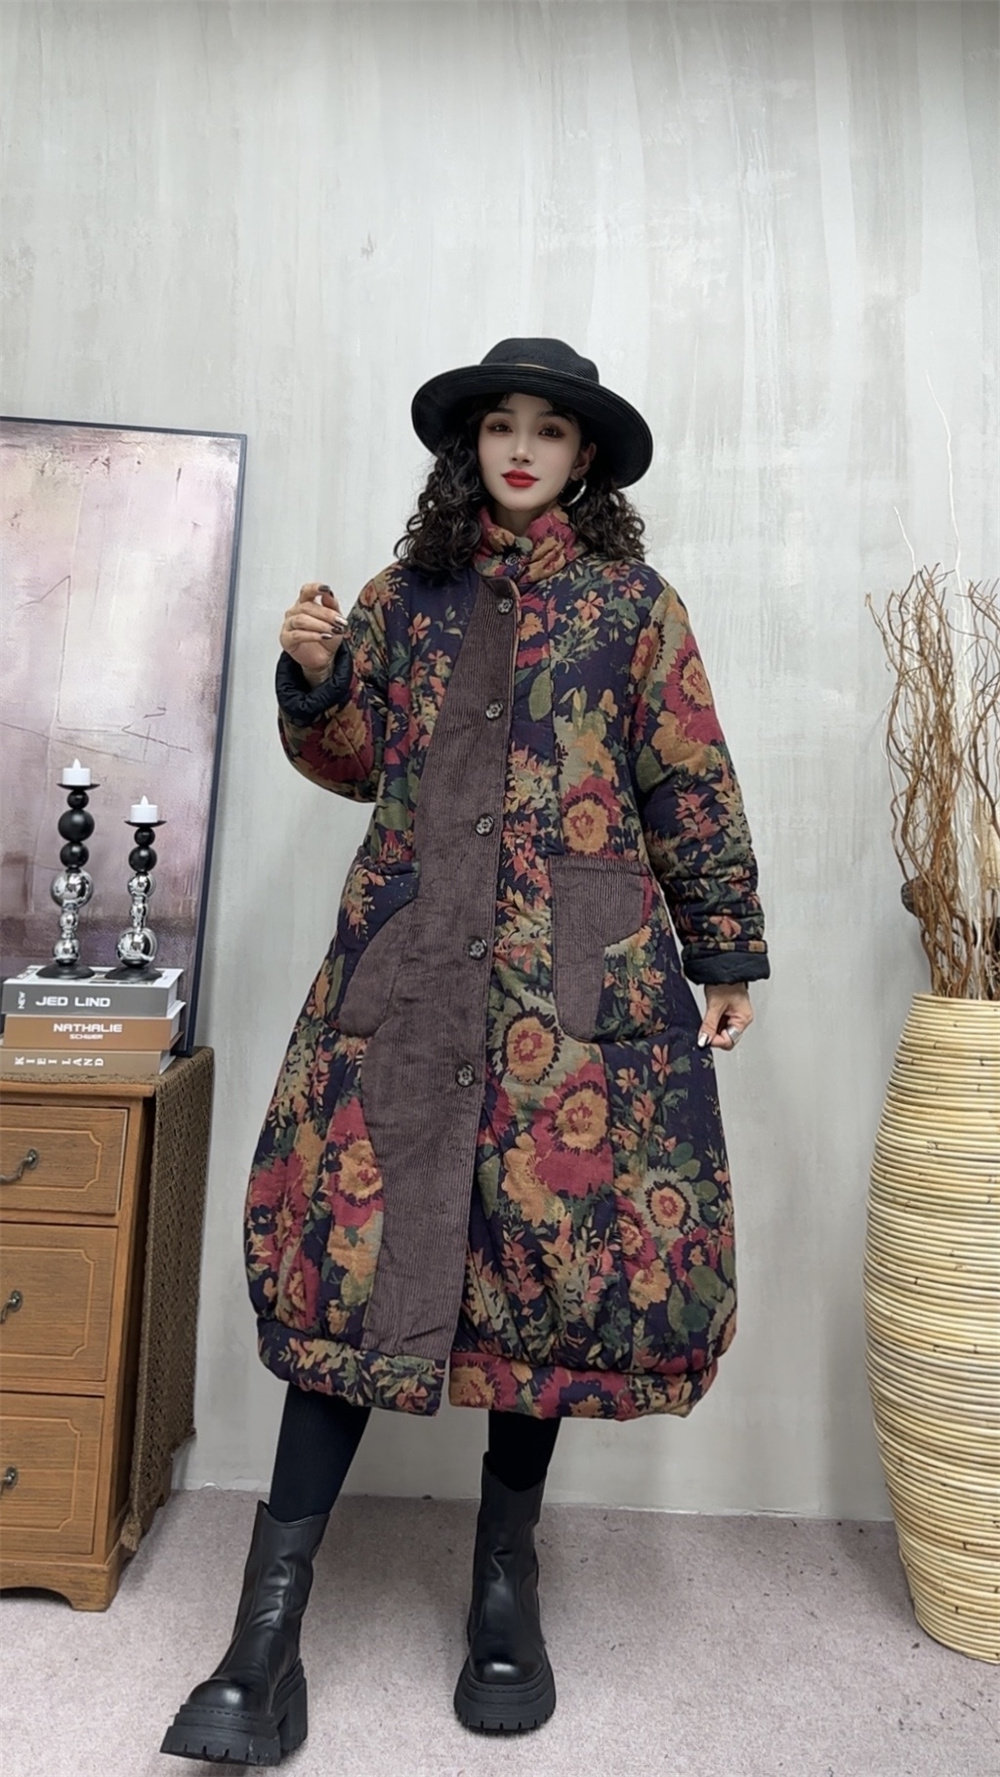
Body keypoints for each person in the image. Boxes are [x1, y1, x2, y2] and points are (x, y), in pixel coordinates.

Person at [161, 338, 770, 1766]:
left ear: (584, 457)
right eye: (501, 425)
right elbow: (353, 757)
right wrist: (315, 676)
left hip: (569, 996)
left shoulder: (634, 609)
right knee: (348, 1268)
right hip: (414, 972)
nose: (521, 448)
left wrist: (725, 947)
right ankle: (263, 1635)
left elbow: (687, 777)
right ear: (470, 447)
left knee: (537, 1278)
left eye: (548, 430)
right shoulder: (405, 598)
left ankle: (505, 1582)